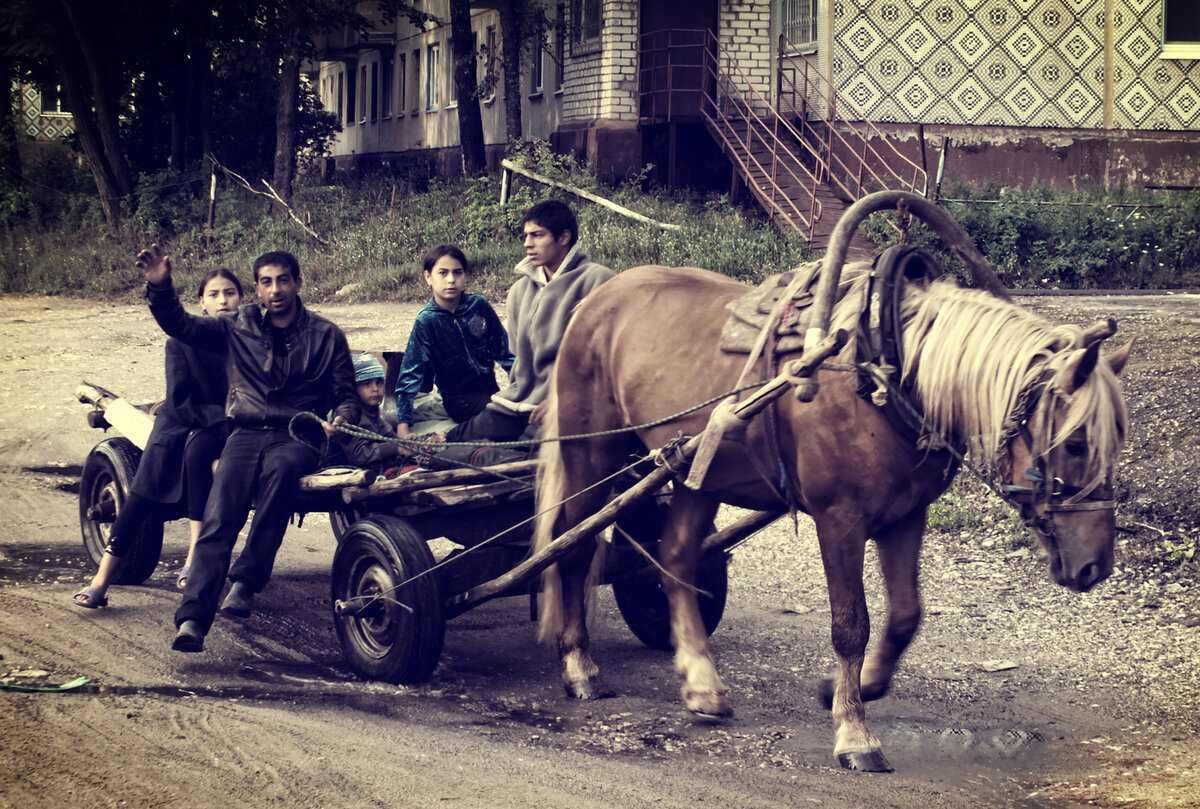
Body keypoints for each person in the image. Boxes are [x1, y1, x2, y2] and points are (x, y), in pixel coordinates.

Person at [138, 245, 359, 653]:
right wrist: (161, 286)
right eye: (266, 282)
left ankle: (245, 581)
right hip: (244, 433)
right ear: (257, 288)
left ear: (298, 283)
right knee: (219, 516)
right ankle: (191, 619)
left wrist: (341, 420)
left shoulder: (326, 335)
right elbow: (180, 325)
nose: (275, 290)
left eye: (283, 280)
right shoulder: (235, 325)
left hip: (298, 434)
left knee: (279, 477)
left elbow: (347, 395)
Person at [72, 268, 243, 608]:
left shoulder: (248, 339)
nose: (223, 300)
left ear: (242, 298)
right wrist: (228, 415)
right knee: (140, 498)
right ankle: (101, 580)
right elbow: (180, 402)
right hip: (179, 425)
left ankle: (195, 557)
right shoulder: (181, 342)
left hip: (222, 430)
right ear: (202, 303)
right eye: (214, 294)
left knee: (201, 454)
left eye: (230, 293)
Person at [442, 200, 614, 442]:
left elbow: (606, 361)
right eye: (525, 236)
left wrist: (560, 399)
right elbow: (517, 357)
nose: (527, 243)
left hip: (572, 404)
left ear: (564, 238)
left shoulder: (598, 281)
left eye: (537, 235)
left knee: (528, 459)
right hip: (519, 401)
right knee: (459, 439)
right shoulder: (519, 290)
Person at [393, 244, 514, 438]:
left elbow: (505, 353)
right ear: (428, 277)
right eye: (443, 273)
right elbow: (411, 373)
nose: (451, 280)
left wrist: (524, 387)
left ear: (465, 276)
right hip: (458, 400)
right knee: (503, 421)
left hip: (489, 390)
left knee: (514, 413)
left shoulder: (478, 306)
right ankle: (450, 437)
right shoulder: (427, 320)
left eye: (457, 272)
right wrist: (403, 425)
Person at [339, 353, 410, 473]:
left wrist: (407, 442)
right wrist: (396, 448)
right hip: (354, 473)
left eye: (379, 383)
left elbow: (388, 437)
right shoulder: (347, 415)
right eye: (367, 384)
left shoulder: (375, 414)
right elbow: (358, 455)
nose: (375, 389)